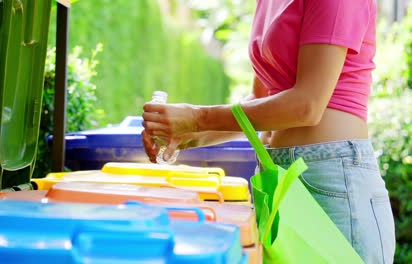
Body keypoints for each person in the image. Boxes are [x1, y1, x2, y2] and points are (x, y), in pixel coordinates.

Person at [141, 0, 395, 263]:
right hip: (278, 176)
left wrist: (197, 118)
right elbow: (261, 98)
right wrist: (191, 135)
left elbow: (307, 106)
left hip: (333, 180)